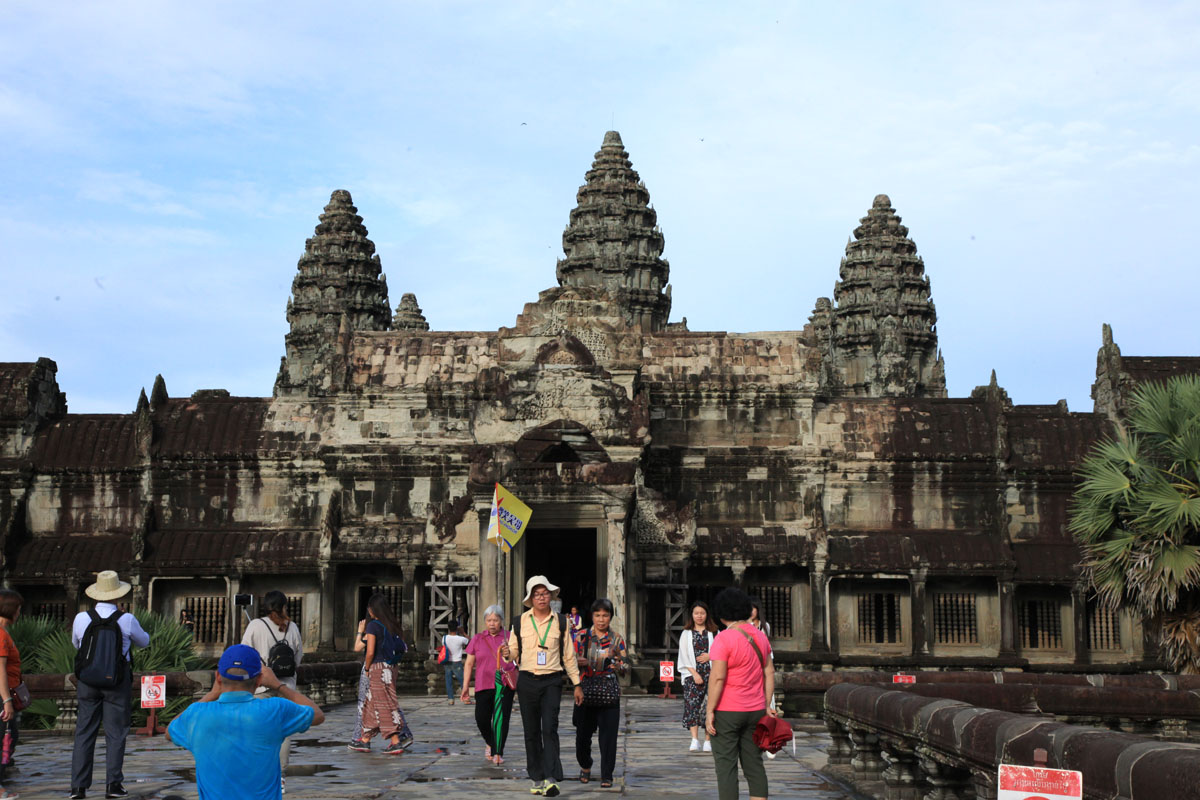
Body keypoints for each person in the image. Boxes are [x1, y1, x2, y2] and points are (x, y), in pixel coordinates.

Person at [167, 644, 324, 800]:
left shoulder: (197, 714)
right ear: (259, 681)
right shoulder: (274, 710)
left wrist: (212, 693)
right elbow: (317, 715)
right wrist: (278, 685)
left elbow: (169, 732)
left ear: (218, 677)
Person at [500, 575, 584, 797]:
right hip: (527, 680)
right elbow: (514, 653)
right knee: (531, 731)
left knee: (550, 728)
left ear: (551, 596)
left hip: (552, 681)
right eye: (537, 594)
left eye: (545, 593)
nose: (541, 597)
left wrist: (577, 683)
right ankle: (536, 777)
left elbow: (569, 656)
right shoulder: (519, 622)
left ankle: (550, 777)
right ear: (531, 598)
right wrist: (508, 655)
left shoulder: (562, 622)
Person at [70, 570, 150, 800]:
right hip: (117, 681)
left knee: (84, 732)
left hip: (87, 681)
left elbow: (77, 645)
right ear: (117, 595)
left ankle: (78, 788)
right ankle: (113, 785)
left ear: (96, 594)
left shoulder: (81, 618)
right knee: (116, 734)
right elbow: (144, 641)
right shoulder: (126, 619)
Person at [705, 587, 776, 800]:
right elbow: (770, 672)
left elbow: (717, 678)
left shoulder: (723, 639)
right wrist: (765, 705)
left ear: (722, 613)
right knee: (754, 764)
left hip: (727, 710)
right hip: (755, 709)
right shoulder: (761, 637)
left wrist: (710, 710)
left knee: (726, 766)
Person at [240, 591, 303, 783]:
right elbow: (298, 659)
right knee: (283, 732)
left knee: (258, 730)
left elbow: (244, 654)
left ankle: (259, 772)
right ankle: (280, 775)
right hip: (286, 687)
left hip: (260, 687)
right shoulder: (292, 627)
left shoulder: (255, 625)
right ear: (284, 607)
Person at [573, 598, 627, 789]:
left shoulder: (617, 639)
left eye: (605, 615)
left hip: (608, 692)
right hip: (584, 690)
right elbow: (568, 660)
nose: (601, 619)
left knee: (608, 738)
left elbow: (626, 666)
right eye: (597, 615)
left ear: (610, 617)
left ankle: (607, 775)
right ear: (592, 616)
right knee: (582, 737)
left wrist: (617, 663)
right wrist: (577, 663)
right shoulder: (580, 637)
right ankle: (585, 765)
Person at [348, 593, 411, 754]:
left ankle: (396, 741)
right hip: (389, 668)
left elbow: (369, 652)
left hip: (377, 668)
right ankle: (365, 739)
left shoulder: (373, 626)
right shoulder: (390, 626)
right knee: (372, 703)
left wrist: (368, 669)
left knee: (384, 704)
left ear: (371, 610)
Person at [460, 605, 515, 765]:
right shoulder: (478, 638)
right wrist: (465, 686)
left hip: (504, 684)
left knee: (502, 720)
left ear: (501, 621)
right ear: (485, 622)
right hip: (483, 684)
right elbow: (469, 664)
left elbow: (518, 658)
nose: (492, 623)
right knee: (482, 719)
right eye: (489, 620)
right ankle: (491, 742)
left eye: (495, 620)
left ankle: (498, 752)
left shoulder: (509, 637)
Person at [677, 600, 717, 753]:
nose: (699, 616)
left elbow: (721, 653)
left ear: (707, 615)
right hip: (692, 674)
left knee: (709, 706)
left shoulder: (714, 633)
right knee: (692, 705)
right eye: (696, 613)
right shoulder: (686, 634)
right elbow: (684, 655)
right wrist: (694, 674)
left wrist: (710, 656)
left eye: (702, 613)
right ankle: (694, 739)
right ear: (692, 615)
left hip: (712, 674)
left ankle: (708, 739)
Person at [0, 588, 24, 800]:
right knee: (2, 738)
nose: (19, 613)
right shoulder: (0, 633)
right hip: (2, 694)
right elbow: (0, 668)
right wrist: (6, 700)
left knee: (10, 736)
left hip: (7, 692)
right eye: (18, 609)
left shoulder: (4, 632)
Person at [442, 624, 470, 705]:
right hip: (457, 661)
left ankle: (451, 699)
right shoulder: (461, 639)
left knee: (448, 681)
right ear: (457, 629)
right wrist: (463, 632)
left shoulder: (445, 637)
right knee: (463, 681)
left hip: (447, 661)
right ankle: (465, 698)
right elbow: (470, 641)